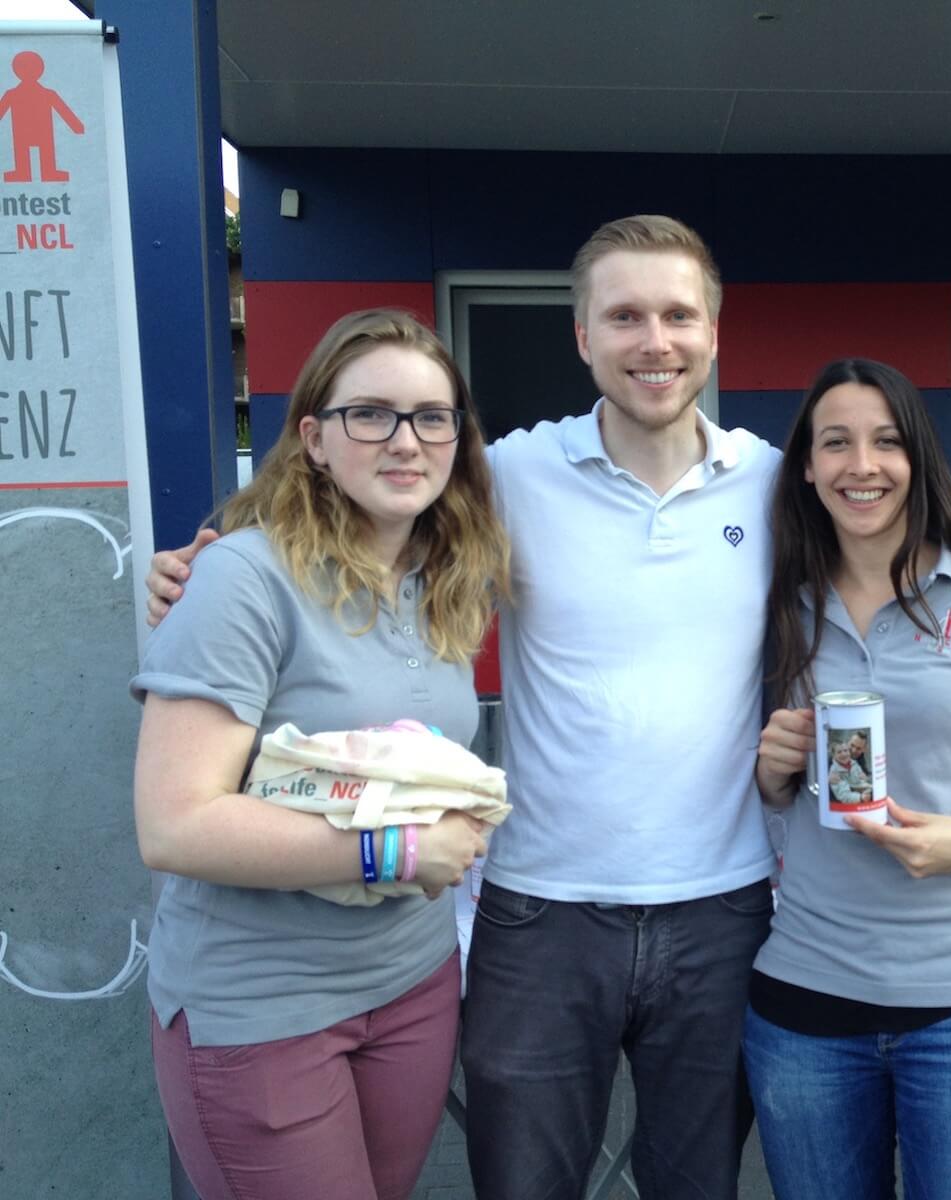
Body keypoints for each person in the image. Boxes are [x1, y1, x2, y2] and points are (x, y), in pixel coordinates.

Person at [151, 216, 781, 1199]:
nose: (652, 339)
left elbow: (886, 576)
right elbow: (337, 508)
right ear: (582, 337)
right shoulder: (509, 474)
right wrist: (197, 562)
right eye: (623, 315)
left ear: (712, 332)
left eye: (675, 314)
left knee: (695, 1183)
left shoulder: (780, 485)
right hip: (540, 910)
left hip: (723, 906)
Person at [131, 308, 509, 1200]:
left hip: (412, 984)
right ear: (314, 438)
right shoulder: (242, 578)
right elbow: (176, 826)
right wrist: (399, 851)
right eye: (369, 414)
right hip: (263, 1007)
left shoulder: (439, 582)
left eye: (432, 416)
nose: (405, 440)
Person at [747, 358, 951, 1200]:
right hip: (807, 1001)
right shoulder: (775, 603)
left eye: (887, 442)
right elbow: (768, 795)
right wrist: (774, 773)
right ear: (807, 467)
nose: (863, 465)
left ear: (918, 460)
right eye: (836, 443)